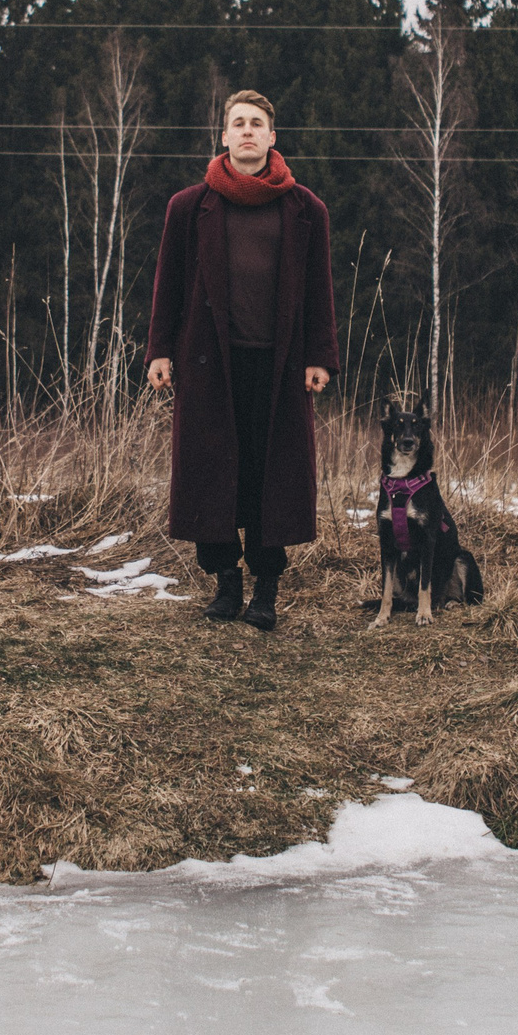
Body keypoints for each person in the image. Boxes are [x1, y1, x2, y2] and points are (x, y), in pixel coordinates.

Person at [145, 90, 339, 631]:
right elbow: (169, 287)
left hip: (280, 368)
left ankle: (267, 592)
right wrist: (160, 349)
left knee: (270, 476)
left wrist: (321, 356)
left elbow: (319, 290)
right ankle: (225, 585)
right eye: (238, 123)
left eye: (258, 123)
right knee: (213, 473)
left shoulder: (306, 209)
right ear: (224, 136)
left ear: (272, 137)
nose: (248, 131)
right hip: (209, 368)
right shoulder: (189, 207)